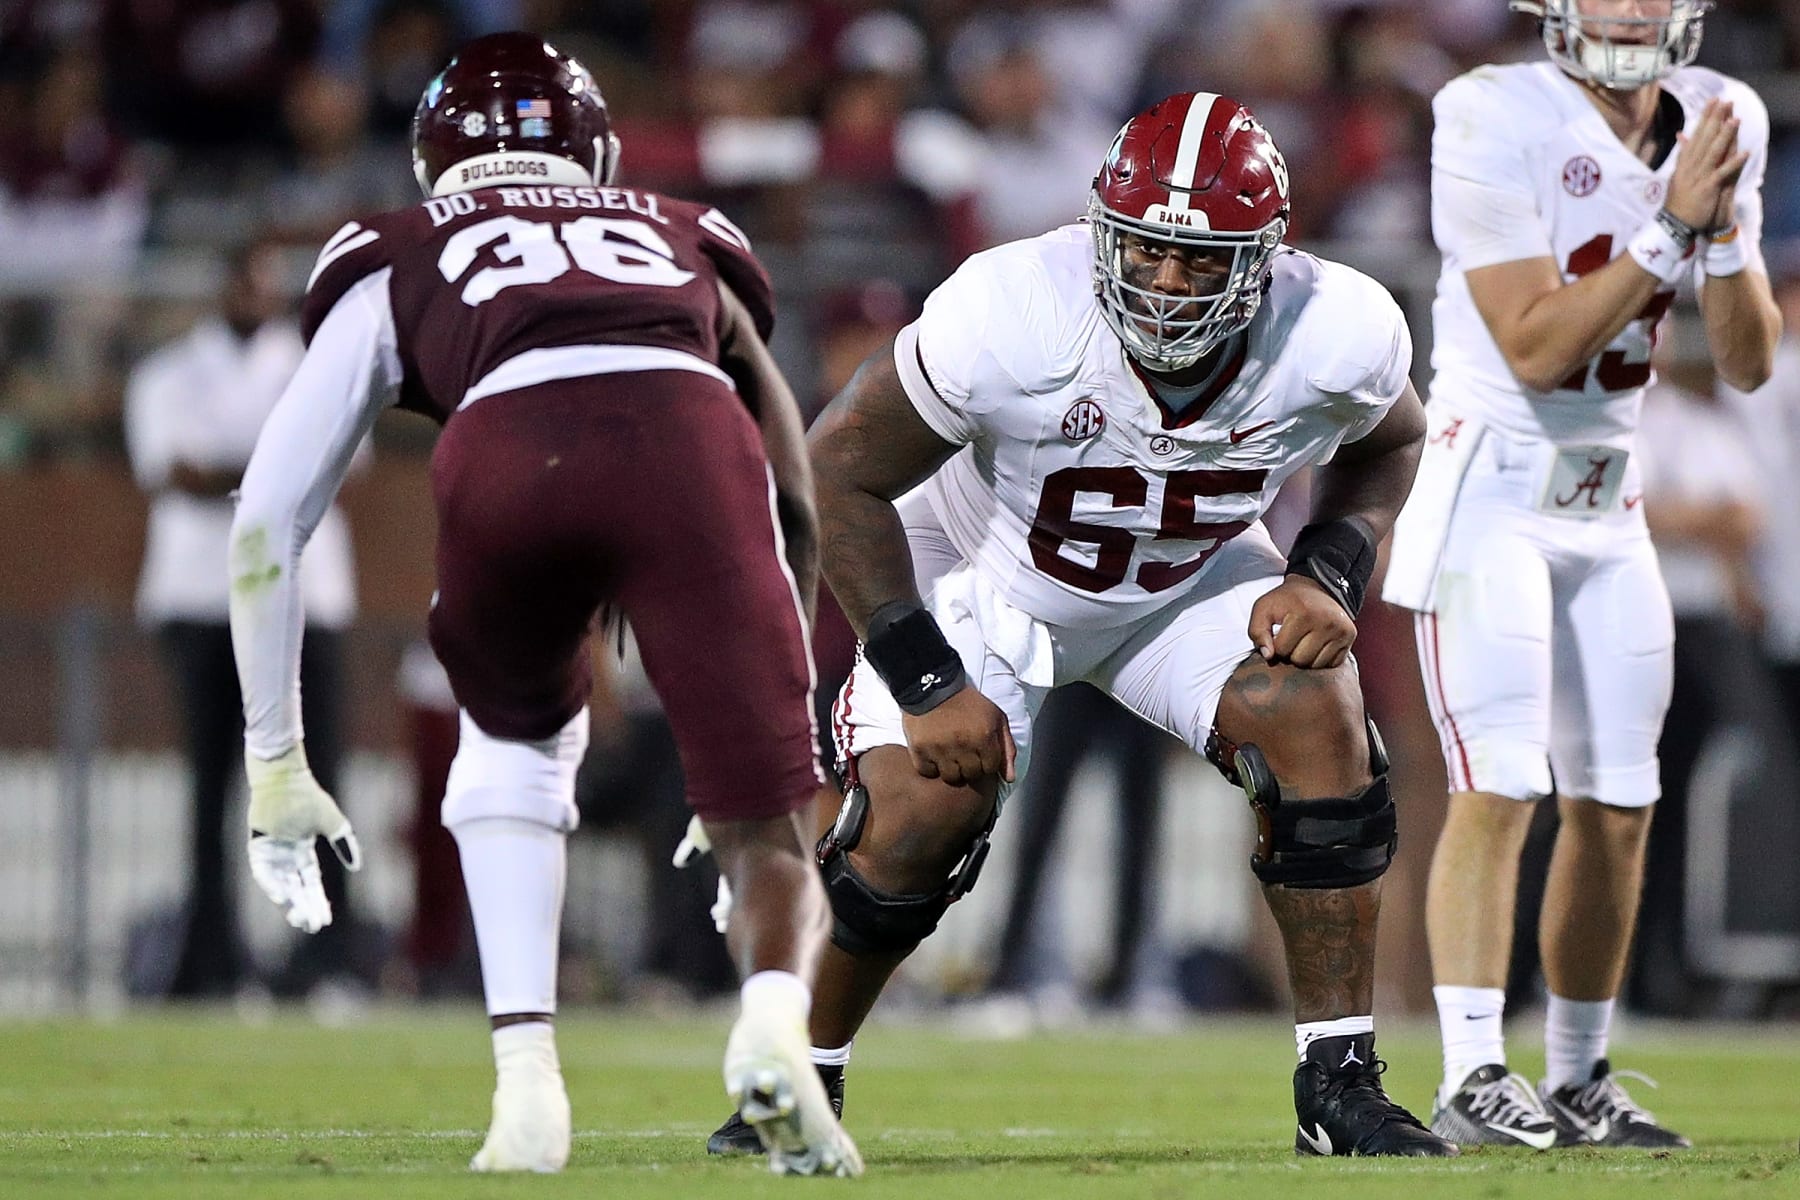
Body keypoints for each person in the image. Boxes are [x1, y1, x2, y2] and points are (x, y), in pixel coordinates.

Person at [712, 91, 1456, 1159]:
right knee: (922, 809)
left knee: (1318, 712)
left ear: (1263, 259)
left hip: (1179, 585)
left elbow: (1394, 443)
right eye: (1146, 251)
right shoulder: (1015, 306)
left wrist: (1329, 571)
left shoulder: (1333, 327)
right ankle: (794, 1082)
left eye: (1201, 263)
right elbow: (837, 473)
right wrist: (925, 676)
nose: (1164, 282)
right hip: (990, 570)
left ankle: (1337, 1083)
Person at [226, 33, 860, 1177]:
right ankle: (770, 1027)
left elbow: (270, 518)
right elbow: (792, 487)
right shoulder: (678, 230)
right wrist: (771, 729)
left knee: (511, 747)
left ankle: (528, 1094)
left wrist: (276, 762)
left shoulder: (399, 246)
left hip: (506, 445)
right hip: (690, 443)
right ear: (597, 152)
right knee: (767, 837)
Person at [1381, 0, 1781, 1149]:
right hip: (1492, 486)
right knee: (1501, 784)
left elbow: (1749, 362)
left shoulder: (1719, 113)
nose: (1628, 8)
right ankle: (1469, 1073)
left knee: (1620, 803)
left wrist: (1724, 235)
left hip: (1612, 500)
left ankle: (1579, 1075)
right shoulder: (1488, 110)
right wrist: (1669, 227)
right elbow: (1540, 345)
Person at [125, 238, 357, 999]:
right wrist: (273, 470)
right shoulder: (168, 371)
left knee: (322, 773)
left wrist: (239, 471)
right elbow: (175, 474)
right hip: (198, 601)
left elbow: (337, 468)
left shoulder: (315, 363)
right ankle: (210, 962)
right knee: (212, 785)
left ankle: (324, 958)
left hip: (306, 603)